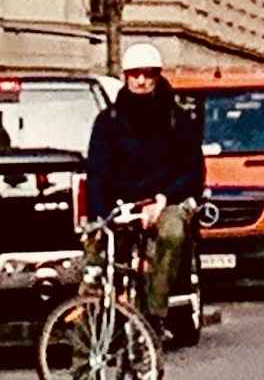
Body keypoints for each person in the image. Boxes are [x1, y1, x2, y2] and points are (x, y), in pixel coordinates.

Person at [83, 43, 204, 331]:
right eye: (135, 74)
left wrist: (164, 199)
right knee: (93, 265)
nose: (141, 80)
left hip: (165, 201)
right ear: (125, 76)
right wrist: (100, 217)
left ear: (157, 76)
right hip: (122, 204)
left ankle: (153, 314)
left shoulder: (177, 119)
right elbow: (97, 172)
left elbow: (193, 172)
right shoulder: (108, 121)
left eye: (148, 74)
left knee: (171, 233)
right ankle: (86, 349)